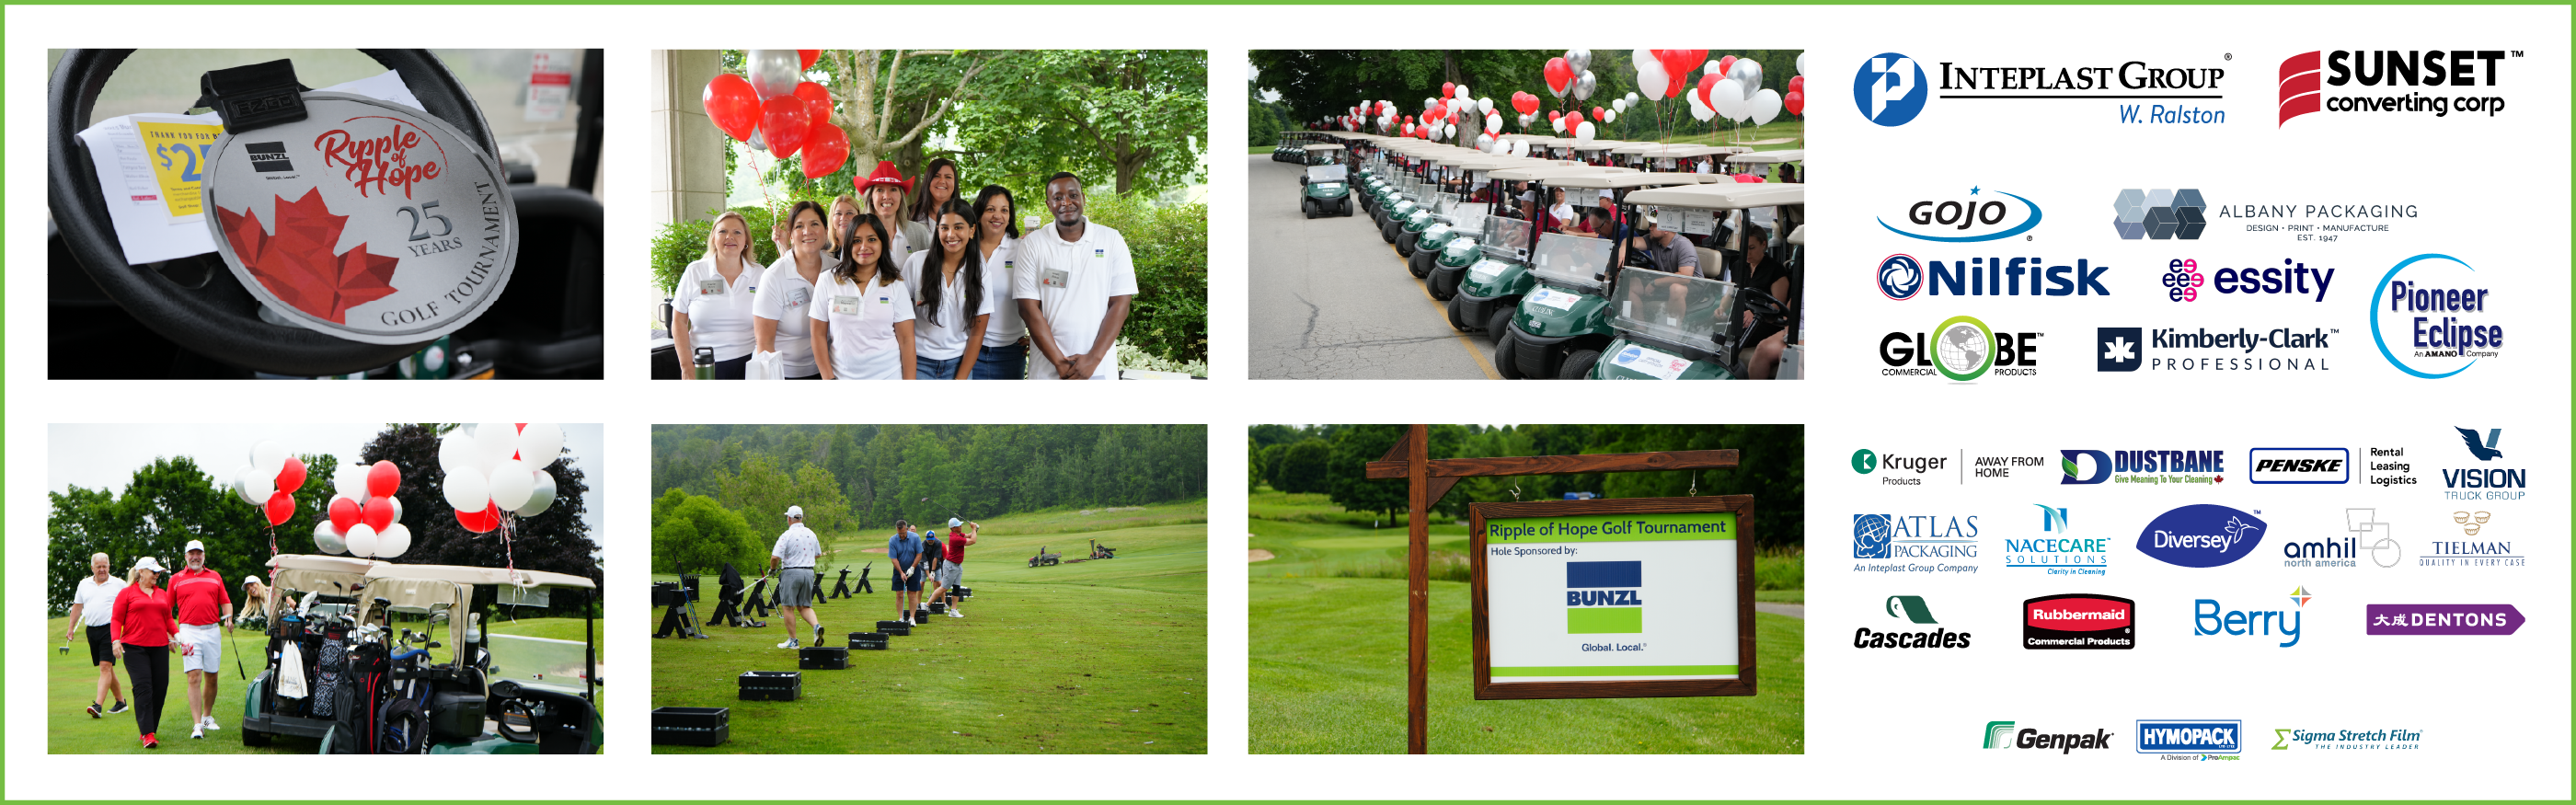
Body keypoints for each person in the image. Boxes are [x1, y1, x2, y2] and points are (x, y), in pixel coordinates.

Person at [1014, 173, 1138, 380]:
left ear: (1083, 198)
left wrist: (1093, 359)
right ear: (1048, 204)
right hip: (1047, 369)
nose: (1066, 202)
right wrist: (1059, 362)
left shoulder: (1111, 239)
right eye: (1057, 197)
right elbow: (1027, 308)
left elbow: (1121, 303)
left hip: (1098, 368)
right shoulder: (1033, 244)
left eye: (1073, 195)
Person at [810, 214, 917, 380]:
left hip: (889, 377)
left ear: (883, 243)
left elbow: (906, 340)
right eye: (856, 240)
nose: (864, 247)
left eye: (872, 239)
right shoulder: (827, 281)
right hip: (841, 378)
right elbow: (817, 335)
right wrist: (828, 379)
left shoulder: (895, 284)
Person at [903, 200, 990, 380]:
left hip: (958, 363)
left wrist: (961, 378)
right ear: (938, 230)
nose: (951, 235)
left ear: (972, 230)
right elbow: (900, 319)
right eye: (944, 228)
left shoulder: (980, 271)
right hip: (919, 362)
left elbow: (977, 332)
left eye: (958, 227)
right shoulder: (917, 263)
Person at [672, 211, 761, 379]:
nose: (730, 237)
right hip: (704, 364)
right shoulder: (695, 271)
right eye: (723, 231)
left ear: (746, 241)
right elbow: (679, 321)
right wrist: (686, 366)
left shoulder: (759, 273)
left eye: (737, 232)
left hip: (751, 363)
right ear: (714, 238)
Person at [754, 201, 834, 380]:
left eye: (815, 224)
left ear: (827, 230)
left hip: (828, 371)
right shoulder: (774, 276)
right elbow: (764, 343)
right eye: (799, 226)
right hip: (785, 373)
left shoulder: (837, 270)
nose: (807, 231)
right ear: (790, 235)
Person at [110, 556, 180, 749]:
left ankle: (150, 729)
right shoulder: (126, 593)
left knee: (160, 688)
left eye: (159, 572)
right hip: (134, 648)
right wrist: (116, 641)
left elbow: (168, 618)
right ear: (141, 572)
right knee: (143, 688)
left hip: (159, 647)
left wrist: (176, 635)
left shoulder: (162, 594)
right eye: (153, 571)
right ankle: (147, 733)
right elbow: (116, 620)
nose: (157, 575)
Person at [168, 540, 230, 739]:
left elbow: (226, 602)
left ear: (204, 556)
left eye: (199, 553)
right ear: (185, 556)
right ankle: (197, 725)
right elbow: (166, 610)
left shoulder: (215, 577)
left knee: (212, 676)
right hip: (188, 632)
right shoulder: (175, 579)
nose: (195, 557)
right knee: (194, 675)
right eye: (191, 553)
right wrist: (170, 634)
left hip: (212, 631)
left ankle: (207, 717)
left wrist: (228, 617)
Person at [968, 185, 1030, 379]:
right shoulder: (963, 248)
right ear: (978, 213)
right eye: (990, 209)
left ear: (1010, 216)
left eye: (1004, 210)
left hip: (1011, 351)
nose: (998, 216)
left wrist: (1037, 337)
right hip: (967, 349)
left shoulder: (1022, 249)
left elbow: (1045, 295)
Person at [65, 552, 129, 719]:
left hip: (111, 629)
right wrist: (71, 627)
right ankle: (121, 702)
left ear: (109, 566)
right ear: (92, 567)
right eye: (98, 567)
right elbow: (77, 607)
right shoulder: (84, 584)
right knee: (106, 667)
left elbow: (131, 604)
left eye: (104, 566)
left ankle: (98, 706)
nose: (102, 570)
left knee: (105, 667)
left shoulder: (119, 584)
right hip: (91, 630)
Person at [768, 506, 824, 650]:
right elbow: (818, 554)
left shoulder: (787, 535)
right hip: (809, 573)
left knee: (788, 607)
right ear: (801, 518)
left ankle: (793, 641)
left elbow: (775, 557)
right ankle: (816, 626)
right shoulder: (811, 533)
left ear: (789, 518)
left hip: (792, 573)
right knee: (804, 606)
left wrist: (773, 570)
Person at [857, 161, 930, 259]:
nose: (887, 196)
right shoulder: (856, 233)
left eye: (893, 189)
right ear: (870, 198)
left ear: (901, 197)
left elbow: (929, 270)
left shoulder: (919, 232)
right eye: (879, 190)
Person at [886, 520, 926, 625]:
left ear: (907, 529)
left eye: (903, 533)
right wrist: (901, 572)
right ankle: (901, 618)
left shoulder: (915, 537)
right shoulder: (893, 540)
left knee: (912, 593)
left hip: (914, 569)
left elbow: (919, 554)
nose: (901, 535)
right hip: (899, 570)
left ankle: (912, 618)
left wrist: (912, 568)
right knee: (899, 594)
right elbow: (894, 559)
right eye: (899, 533)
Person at [936, 519, 977, 617]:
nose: (961, 526)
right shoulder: (955, 538)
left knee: (956, 588)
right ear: (953, 528)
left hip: (957, 566)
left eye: (960, 525)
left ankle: (953, 611)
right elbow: (973, 541)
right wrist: (974, 528)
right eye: (958, 525)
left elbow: (969, 536)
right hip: (951, 566)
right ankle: (927, 605)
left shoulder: (958, 535)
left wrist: (975, 530)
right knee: (944, 588)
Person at [908, 157, 961, 232]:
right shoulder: (909, 213)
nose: (942, 181)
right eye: (936, 176)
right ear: (927, 180)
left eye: (948, 177)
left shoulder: (968, 214)